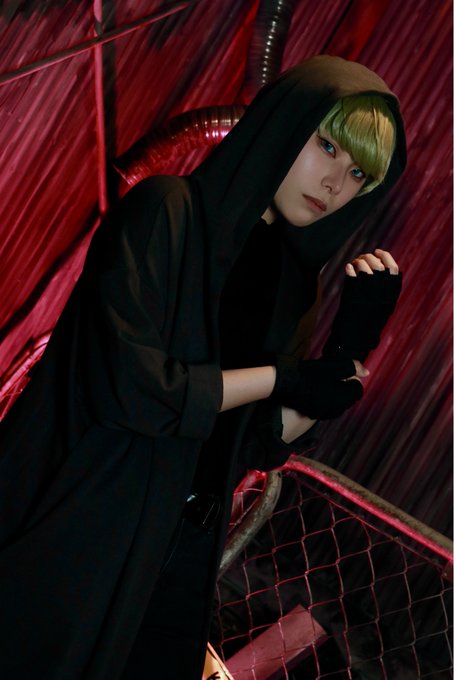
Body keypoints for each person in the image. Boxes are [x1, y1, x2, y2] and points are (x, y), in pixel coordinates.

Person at [0, 55, 406, 678]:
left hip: (180, 549)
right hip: (87, 521)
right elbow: (133, 388)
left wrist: (347, 355)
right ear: (282, 126)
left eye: (357, 174)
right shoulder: (167, 211)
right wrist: (286, 378)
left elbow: (258, 440)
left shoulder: (291, 283)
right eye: (326, 146)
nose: (334, 184)